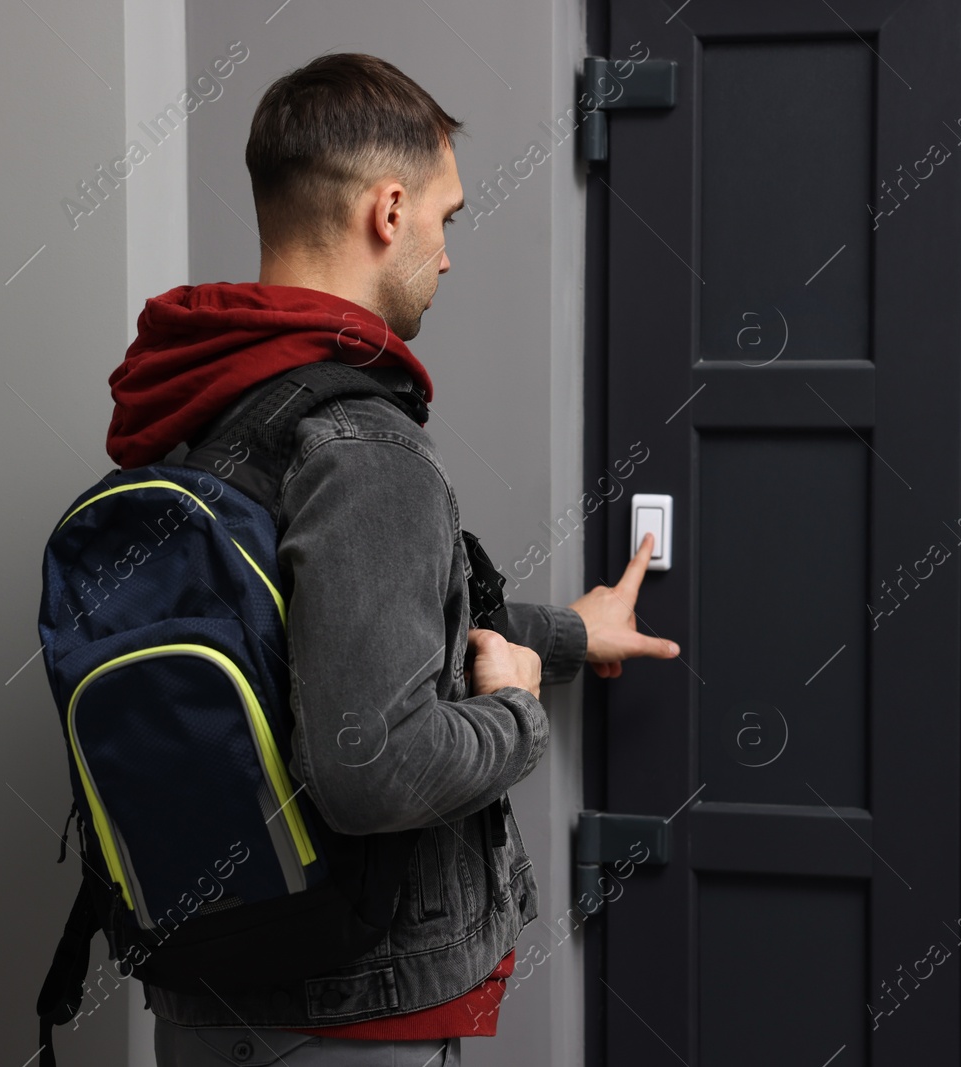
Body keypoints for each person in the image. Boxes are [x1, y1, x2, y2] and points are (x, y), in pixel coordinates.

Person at [100, 51, 680, 1066]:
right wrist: (516, 711)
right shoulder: (363, 445)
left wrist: (570, 631)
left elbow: (317, 625)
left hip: (206, 983)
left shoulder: (199, 408)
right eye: (447, 219)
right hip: (348, 1016)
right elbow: (372, 767)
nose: (447, 254)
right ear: (389, 209)